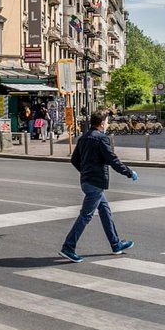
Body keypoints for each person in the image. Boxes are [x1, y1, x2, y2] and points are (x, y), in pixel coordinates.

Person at [60, 109, 138, 263]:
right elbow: (113, 160)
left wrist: (85, 172)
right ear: (102, 123)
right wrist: (129, 172)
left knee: (105, 211)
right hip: (95, 183)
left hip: (87, 181)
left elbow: (74, 160)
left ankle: (116, 245)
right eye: (107, 122)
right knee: (86, 216)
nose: (108, 124)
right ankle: (68, 247)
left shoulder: (84, 138)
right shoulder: (102, 139)